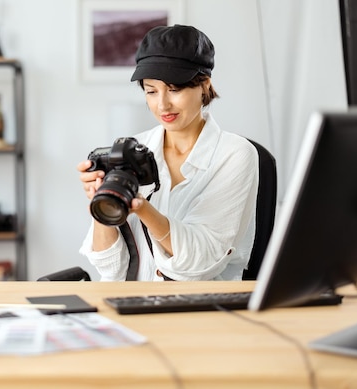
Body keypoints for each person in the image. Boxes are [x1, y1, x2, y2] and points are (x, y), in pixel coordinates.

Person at [78, 24, 259, 281]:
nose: (162, 104)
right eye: (151, 91)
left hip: (205, 310)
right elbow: (110, 269)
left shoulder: (235, 155)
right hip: (133, 304)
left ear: (204, 84)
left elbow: (200, 262)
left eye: (174, 89)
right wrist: (103, 201)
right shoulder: (131, 150)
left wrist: (141, 208)